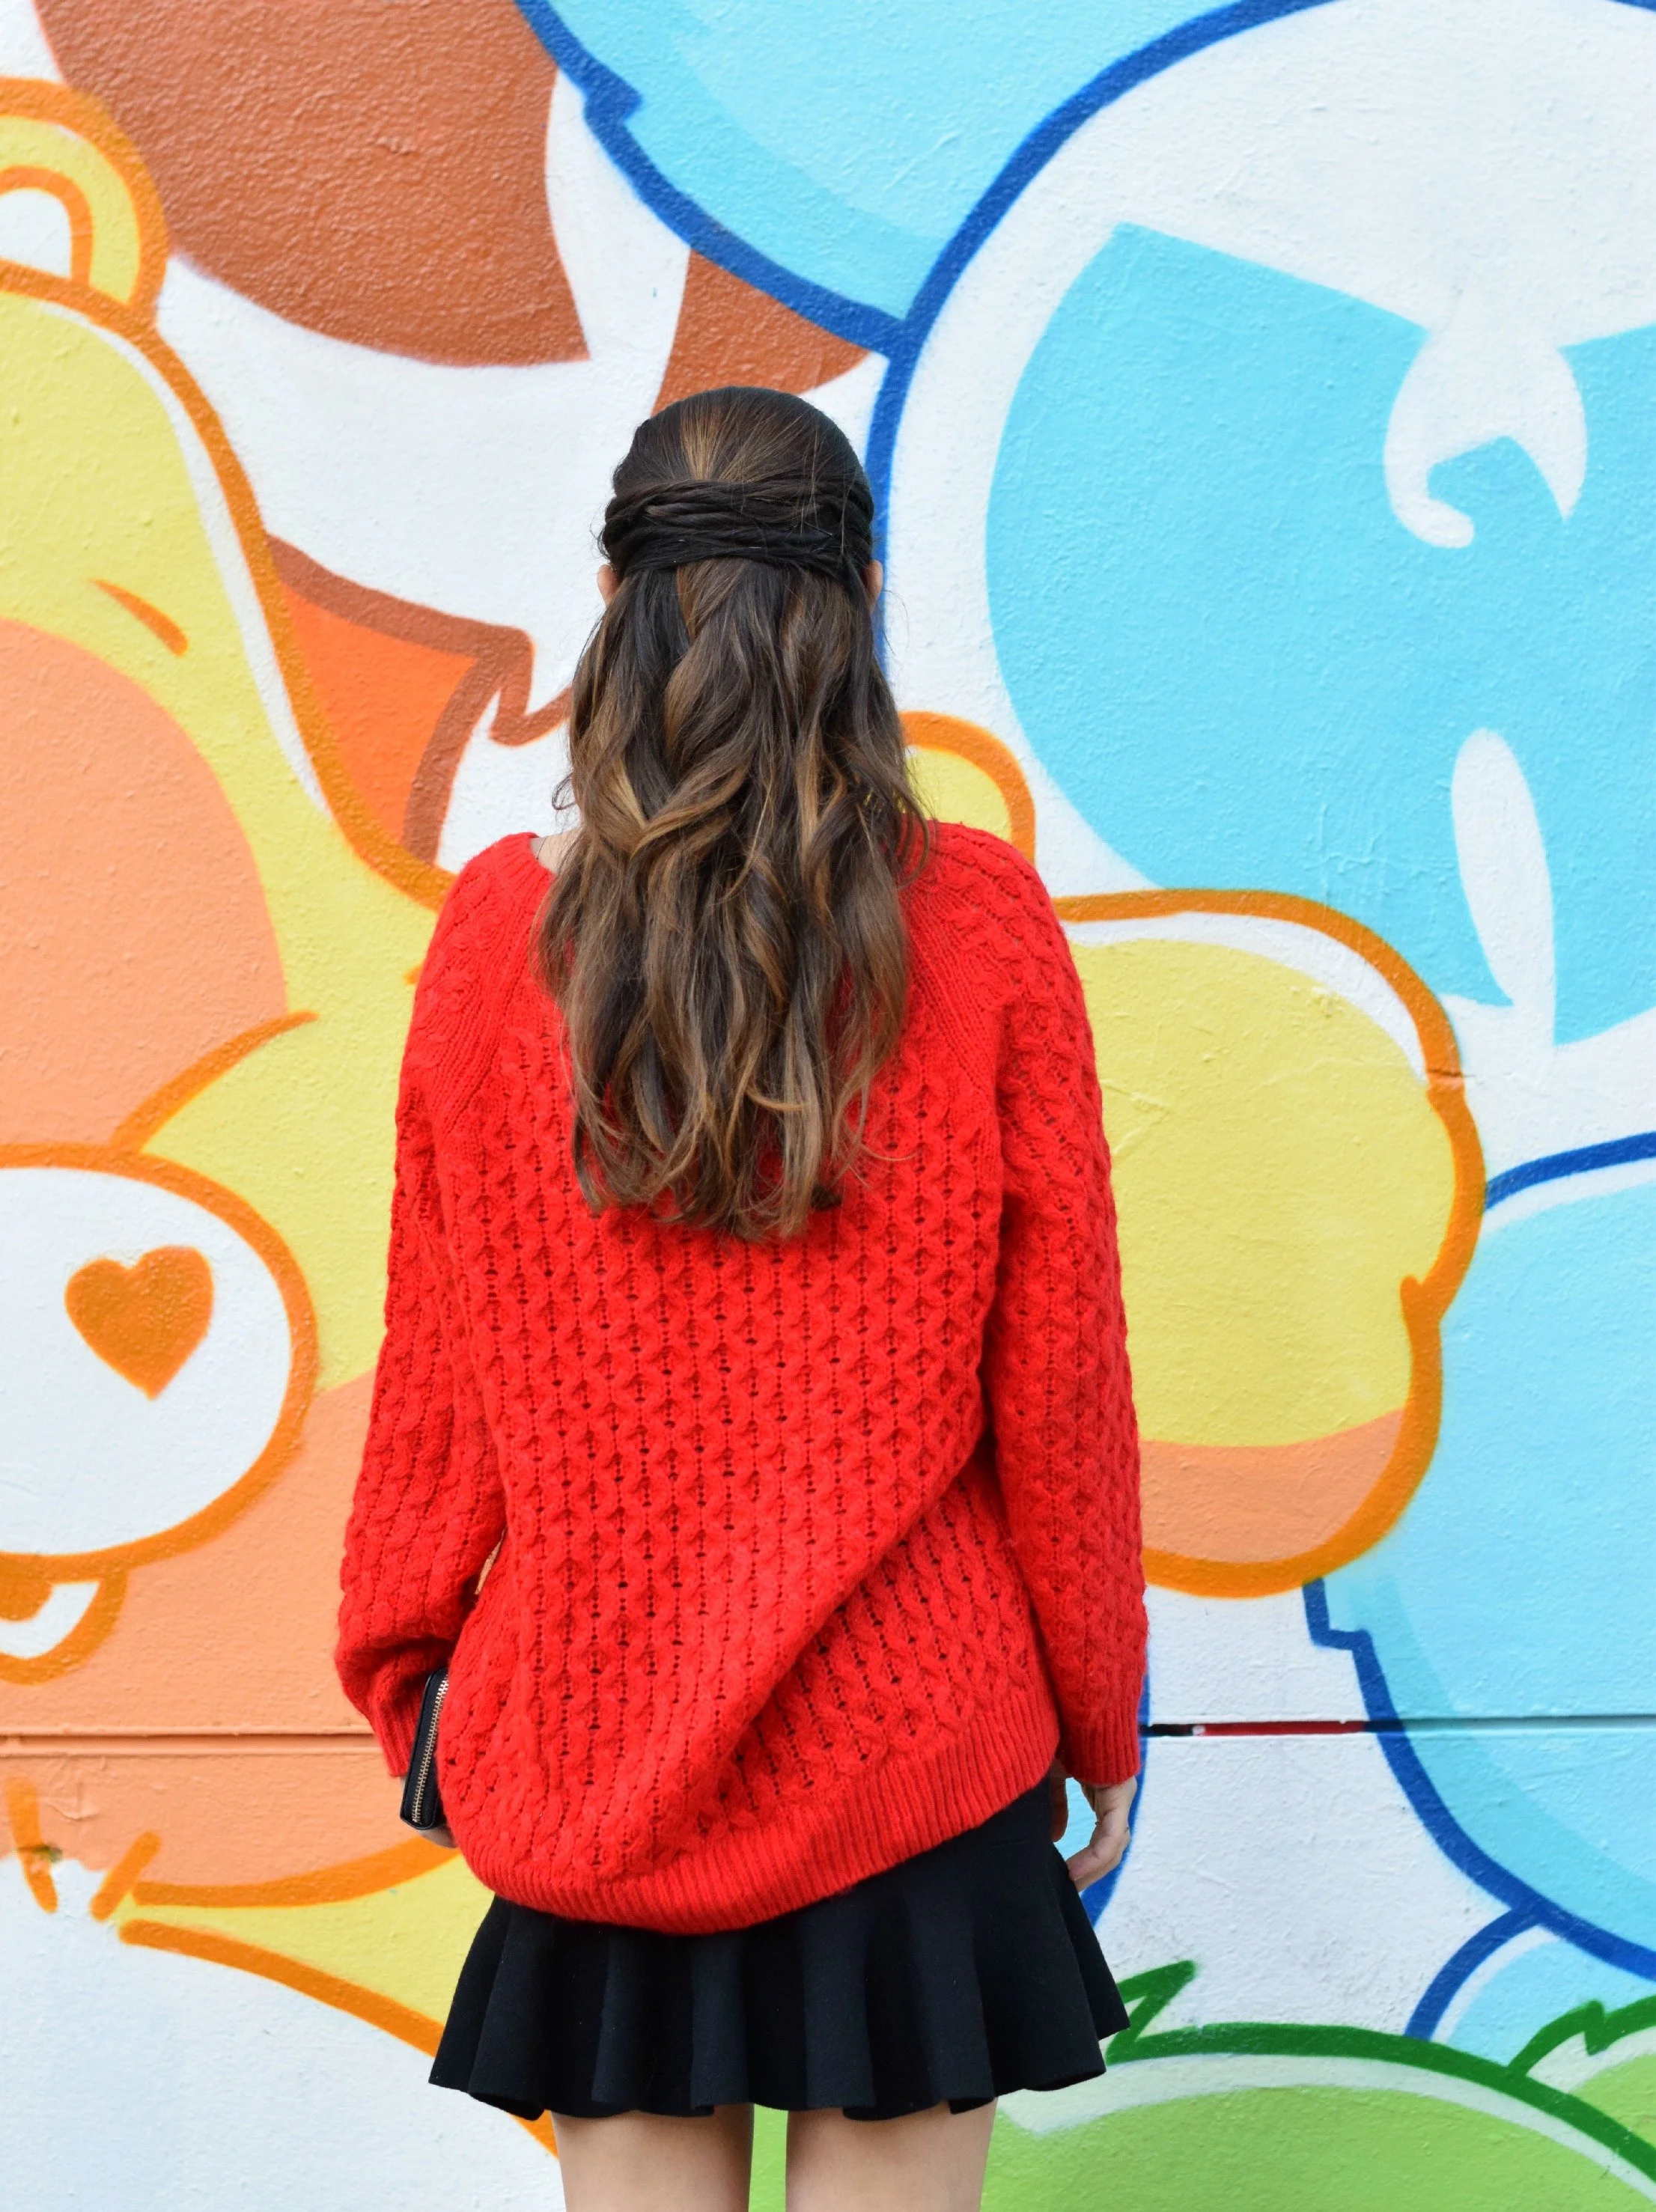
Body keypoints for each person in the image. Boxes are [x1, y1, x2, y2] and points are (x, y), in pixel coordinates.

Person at [336, 385, 1146, 2212]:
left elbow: (435, 1379)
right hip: (918, 1773)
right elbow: (1064, 1390)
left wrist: (413, 1680)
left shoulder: (491, 945)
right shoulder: (986, 925)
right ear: (859, 597)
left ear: (613, 600)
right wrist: (1097, 1721)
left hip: (596, 1757)